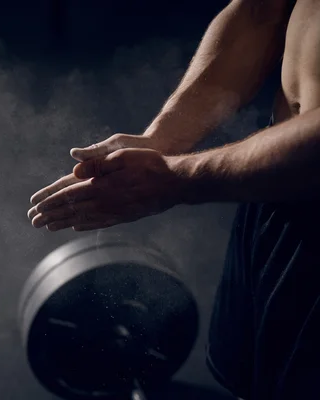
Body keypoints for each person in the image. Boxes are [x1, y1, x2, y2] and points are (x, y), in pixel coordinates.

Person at [27, 0, 320, 399]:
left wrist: (176, 178)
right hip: (272, 184)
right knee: (253, 382)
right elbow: (259, 11)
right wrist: (162, 142)